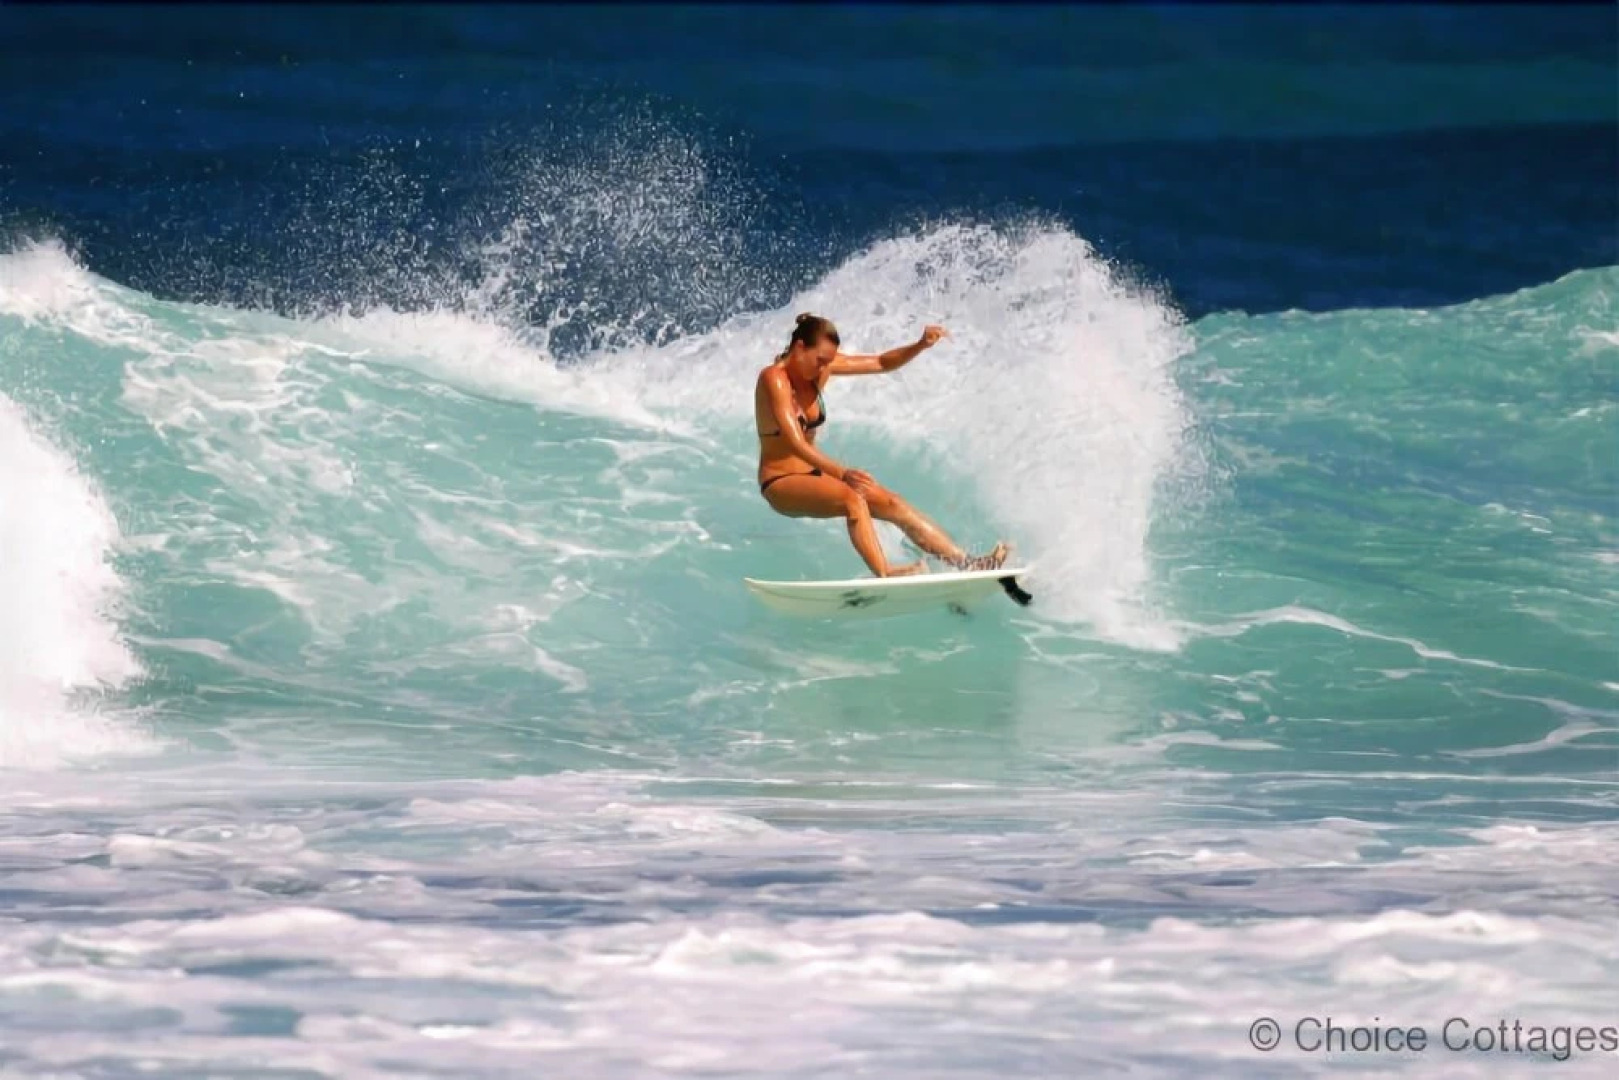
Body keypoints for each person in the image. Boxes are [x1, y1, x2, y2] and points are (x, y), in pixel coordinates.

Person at [753, 313, 1009, 577]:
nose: (824, 369)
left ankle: (969, 564)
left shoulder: (820, 366)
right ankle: (885, 573)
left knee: (893, 503)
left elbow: (880, 362)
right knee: (852, 498)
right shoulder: (774, 378)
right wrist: (842, 473)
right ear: (799, 348)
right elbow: (794, 442)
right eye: (820, 361)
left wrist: (920, 345)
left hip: (813, 474)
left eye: (828, 362)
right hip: (780, 482)